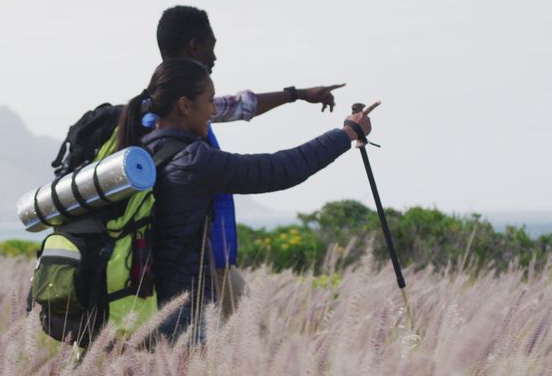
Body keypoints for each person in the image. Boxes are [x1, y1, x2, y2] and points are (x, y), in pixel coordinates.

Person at [117, 57, 376, 344]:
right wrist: (348, 133)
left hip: (146, 307)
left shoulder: (145, 152)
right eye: (210, 101)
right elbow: (280, 170)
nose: (213, 110)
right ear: (185, 105)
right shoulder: (193, 160)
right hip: (182, 315)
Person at [155, 6, 347, 318]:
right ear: (194, 48)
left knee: (252, 352)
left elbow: (240, 105)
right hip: (193, 271)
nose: (215, 57)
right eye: (212, 47)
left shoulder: (170, 110)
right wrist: (346, 134)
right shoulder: (180, 134)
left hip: (206, 265)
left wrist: (297, 94)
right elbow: (273, 171)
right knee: (260, 353)